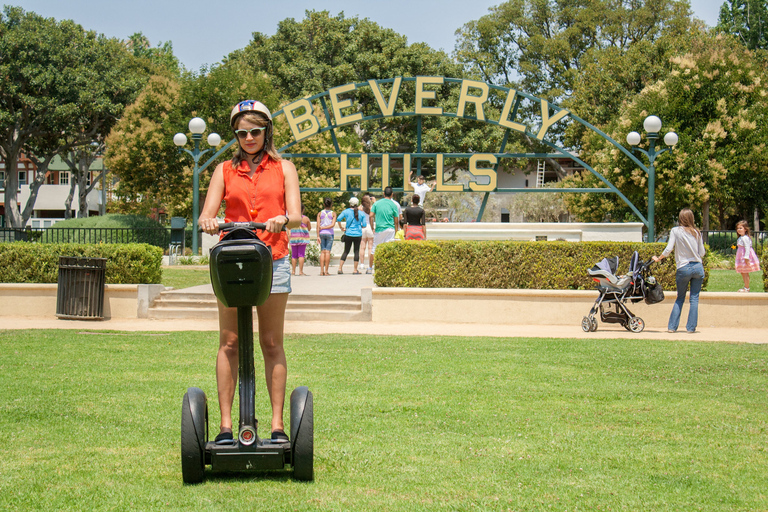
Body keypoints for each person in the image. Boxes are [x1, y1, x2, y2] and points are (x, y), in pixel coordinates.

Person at [199, 100, 301, 444]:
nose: (249, 138)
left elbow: (297, 215)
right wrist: (209, 221)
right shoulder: (224, 171)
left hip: (273, 259)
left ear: (266, 131)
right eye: (242, 133)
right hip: (233, 258)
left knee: (271, 342)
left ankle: (276, 426)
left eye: (255, 131)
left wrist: (282, 218)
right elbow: (206, 214)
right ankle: (227, 427)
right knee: (229, 342)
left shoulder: (284, 168)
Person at [652, 208, 706, 334]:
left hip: (684, 267)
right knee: (694, 298)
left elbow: (669, 248)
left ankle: (672, 327)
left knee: (680, 297)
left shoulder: (676, 231)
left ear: (680, 218)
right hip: (698, 267)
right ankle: (691, 328)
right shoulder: (697, 232)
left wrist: (659, 258)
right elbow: (702, 252)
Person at [370, 186, 401, 269]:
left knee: (374, 248)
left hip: (379, 229)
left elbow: (371, 216)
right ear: (392, 194)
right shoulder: (394, 205)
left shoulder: (376, 203)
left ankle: (370, 267)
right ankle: (387, 267)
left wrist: (372, 227)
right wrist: (396, 231)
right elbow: (396, 220)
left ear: (383, 193)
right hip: (390, 229)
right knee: (389, 249)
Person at [336, 196, 367, 274]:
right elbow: (364, 225)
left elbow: (338, 219)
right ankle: (355, 270)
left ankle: (340, 268)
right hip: (358, 234)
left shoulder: (346, 211)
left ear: (350, 203)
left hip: (348, 233)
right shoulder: (361, 213)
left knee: (346, 251)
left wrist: (341, 227)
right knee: (356, 251)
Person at [734, 220, 761, 292]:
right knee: (743, 272)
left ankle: (747, 287)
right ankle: (746, 286)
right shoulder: (741, 238)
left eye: (740, 228)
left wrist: (746, 257)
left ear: (745, 229)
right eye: (738, 228)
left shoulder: (745, 238)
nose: (738, 230)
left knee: (745, 271)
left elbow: (747, 247)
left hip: (744, 257)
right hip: (741, 256)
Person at [316, 197, 336, 276]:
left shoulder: (320, 213)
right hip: (330, 233)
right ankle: (326, 271)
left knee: (322, 252)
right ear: (331, 204)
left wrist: (318, 235)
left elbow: (318, 225)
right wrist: (325, 227)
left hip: (321, 233)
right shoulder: (333, 213)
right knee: (327, 252)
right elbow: (332, 225)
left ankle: (321, 271)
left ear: (324, 204)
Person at [289, 204, 311, 276]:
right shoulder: (306, 219)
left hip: (294, 238)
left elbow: (289, 227)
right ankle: (301, 271)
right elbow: (309, 228)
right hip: (302, 238)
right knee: (301, 255)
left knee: (294, 256)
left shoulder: (293, 218)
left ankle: (293, 271)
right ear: (303, 210)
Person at [360, 194, 375, 274]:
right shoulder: (371, 208)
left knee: (362, 247)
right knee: (370, 248)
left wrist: (363, 201)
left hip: (362, 227)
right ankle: (371, 264)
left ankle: (362, 264)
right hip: (369, 227)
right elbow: (372, 218)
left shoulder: (360, 208)